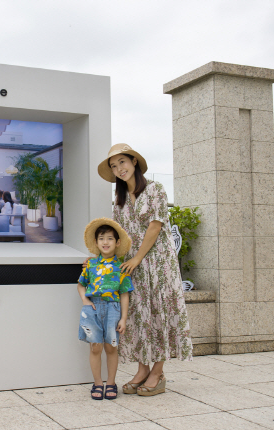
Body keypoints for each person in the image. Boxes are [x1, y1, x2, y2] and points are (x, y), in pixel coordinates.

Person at [97, 143, 192, 397]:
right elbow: (118, 235)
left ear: (134, 162)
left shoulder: (155, 189)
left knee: (160, 312)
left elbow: (155, 226)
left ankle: (158, 371)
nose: (119, 169)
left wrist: (138, 258)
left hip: (158, 262)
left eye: (122, 163)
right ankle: (142, 369)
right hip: (131, 264)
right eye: (114, 166)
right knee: (140, 316)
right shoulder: (119, 200)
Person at [78, 218, 132, 400]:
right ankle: (97, 383)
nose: (105, 242)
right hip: (92, 308)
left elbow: (124, 293)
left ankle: (111, 382)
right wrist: (85, 301)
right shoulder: (90, 265)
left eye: (110, 239)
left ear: (117, 243)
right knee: (95, 347)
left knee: (111, 347)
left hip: (112, 309)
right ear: (96, 242)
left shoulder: (121, 267)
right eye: (101, 238)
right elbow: (80, 285)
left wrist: (123, 318)